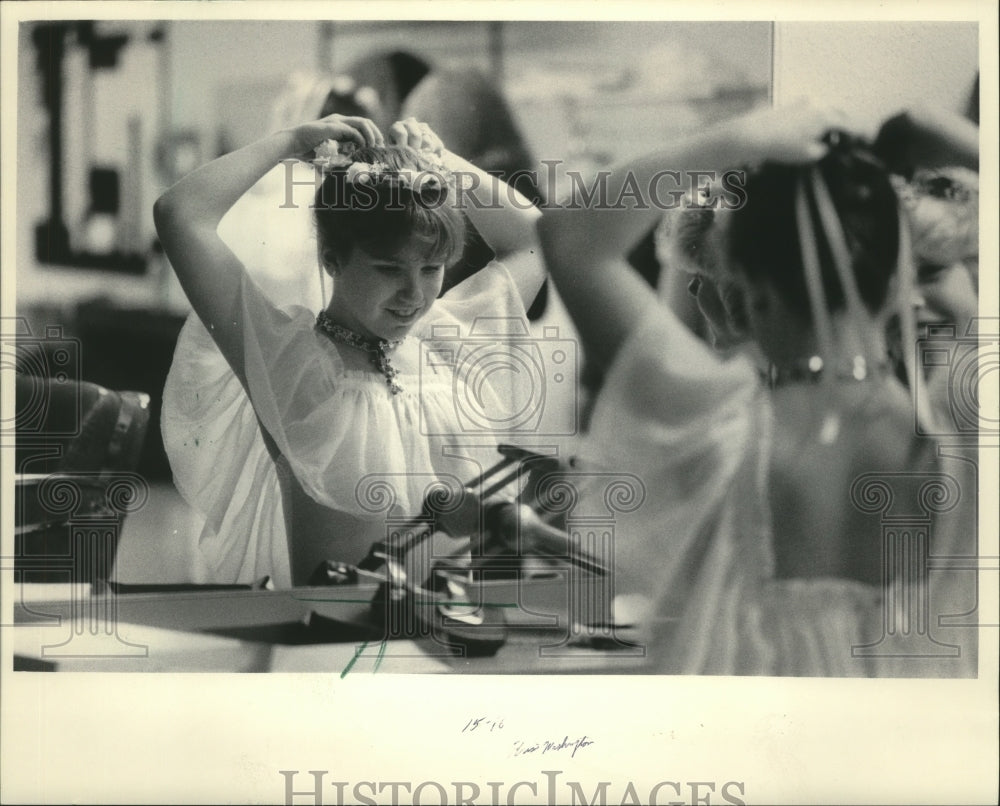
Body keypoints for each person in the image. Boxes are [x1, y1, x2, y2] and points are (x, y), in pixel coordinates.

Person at [538, 104, 977, 676]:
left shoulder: (712, 428)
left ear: (746, 288)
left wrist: (736, 139)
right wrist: (933, 128)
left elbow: (569, 237)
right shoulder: (971, 430)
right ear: (901, 278)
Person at [156, 114, 543, 588]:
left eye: (431, 269)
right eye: (388, 269)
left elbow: (537, 238)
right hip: (332, 629)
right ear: (332, 259)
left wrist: (440, 161)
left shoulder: (447, 340)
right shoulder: (287, 360)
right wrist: (290, 142)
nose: (414, 294)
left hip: (450, 625)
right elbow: (181, 214)